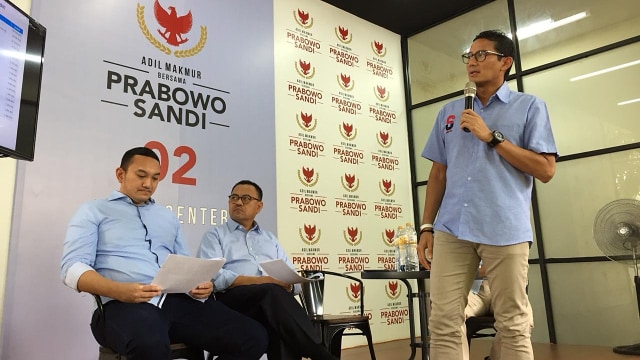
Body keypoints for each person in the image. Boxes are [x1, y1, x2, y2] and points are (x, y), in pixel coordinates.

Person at [416, 29, 557, 360]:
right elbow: (438, 173)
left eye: (482, 55)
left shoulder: (529, 107)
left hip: (504, 228)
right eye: (469, 56)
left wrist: (491, 136)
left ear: (505, 62)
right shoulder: (449, 112)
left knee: (512, 324)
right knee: (443, 320)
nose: (472, 62)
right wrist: (426, 227)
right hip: (452, 229)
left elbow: (546, 170)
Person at [60, 147, 268, 360]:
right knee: (149, 342)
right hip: (119, 306)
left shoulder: (167, 217)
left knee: (254, 337)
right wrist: (119, 290)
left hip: (175, 302)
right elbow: (72, 269)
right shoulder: (93, 211)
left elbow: (185, 264)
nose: (148, 184)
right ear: (120, 174)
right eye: (141, 176)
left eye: (155, 178)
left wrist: (199, 284)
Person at [197, 180, 338, 360]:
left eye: (246, 198)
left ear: (259, 206)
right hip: (232, 301)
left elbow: (293, 280)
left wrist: (288, 285)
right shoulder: (215, 235)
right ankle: (320, 353)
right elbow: (214, 277)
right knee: (271, 292)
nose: (238, 202)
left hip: (270, 304)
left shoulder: (270, 239)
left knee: (279, 326)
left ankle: (318, 352)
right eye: (234, 197)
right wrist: (264, 281)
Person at [461, 267, 534, 360]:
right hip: (471, 291)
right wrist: (494, 268)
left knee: (523, 318)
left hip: (504, 289)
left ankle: (494, 358)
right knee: (450, 316)